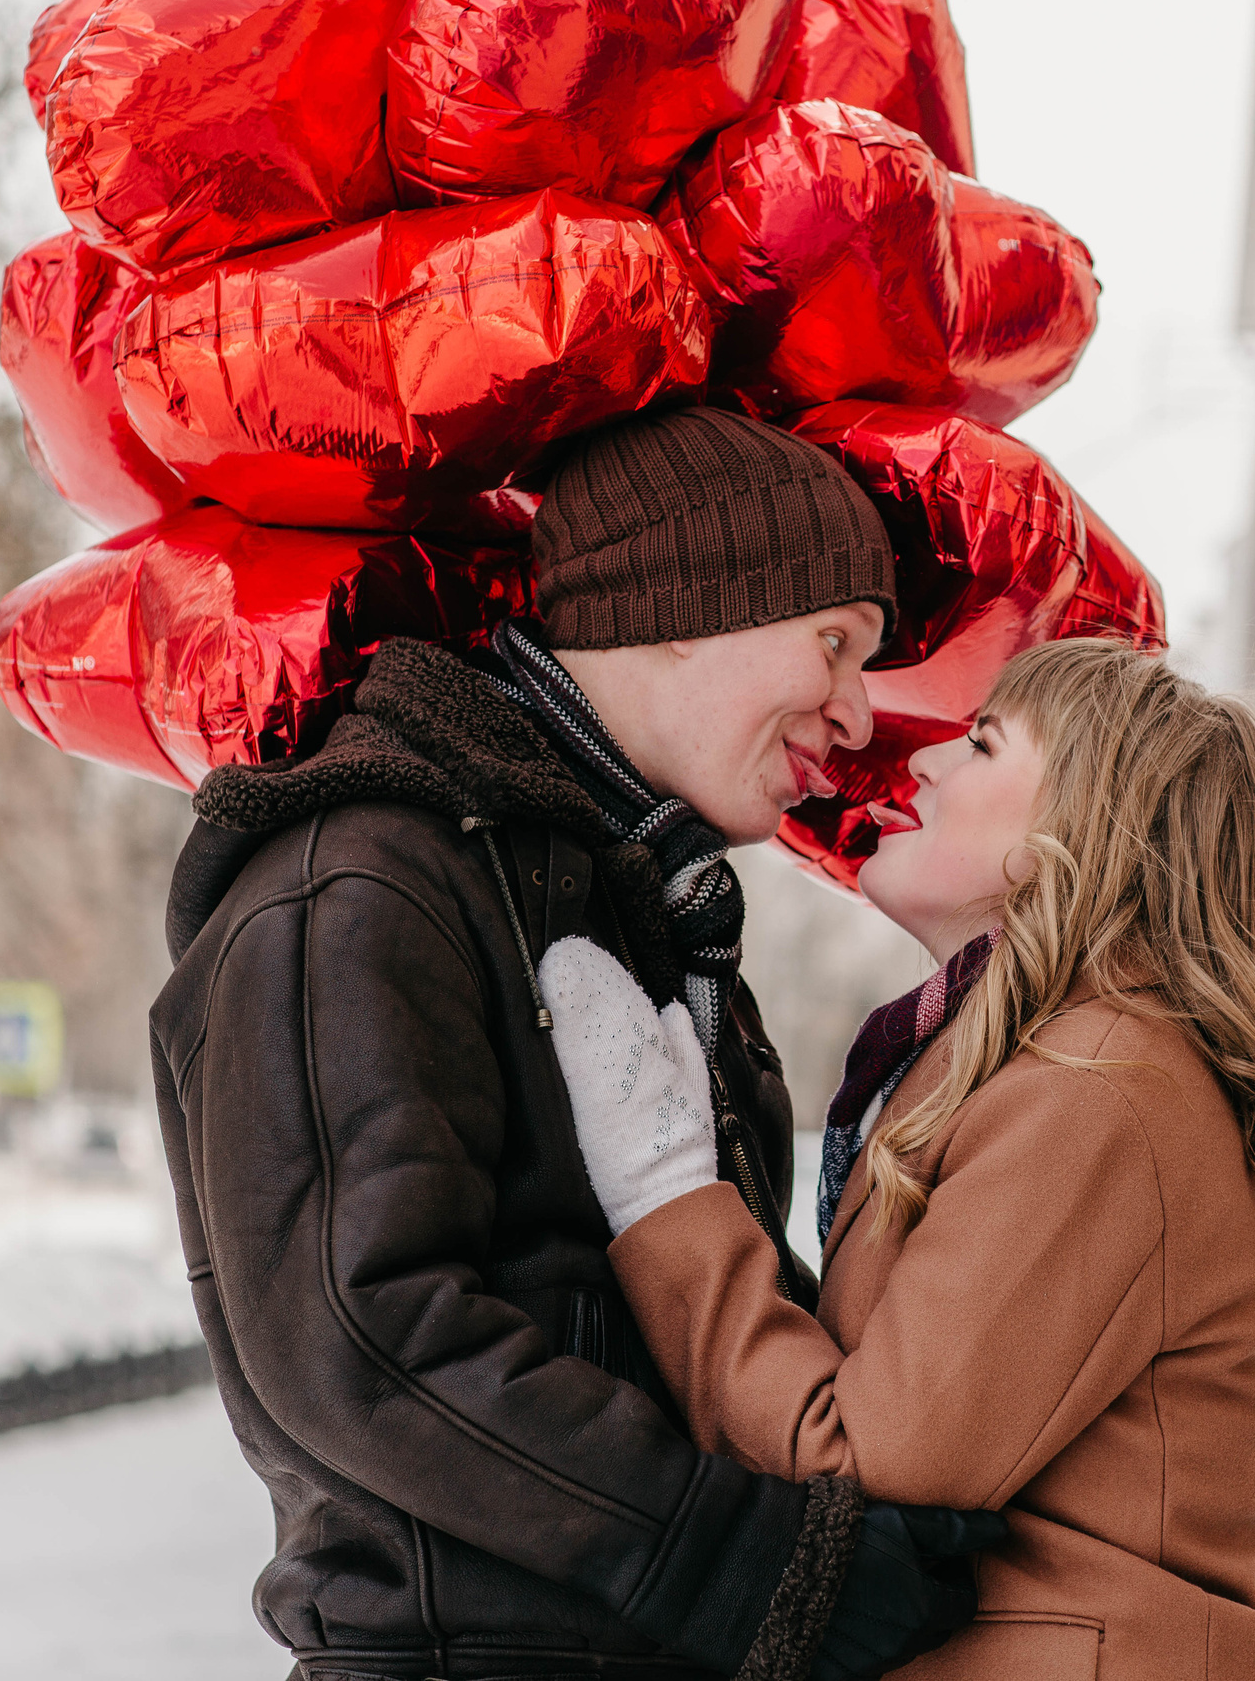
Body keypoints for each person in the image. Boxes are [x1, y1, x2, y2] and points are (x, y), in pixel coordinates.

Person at [150, 407, 1001, 1681]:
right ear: (684, 603)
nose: (850, 716)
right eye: (832, 644)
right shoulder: (362, 883)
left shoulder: (639, 916)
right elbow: (364, 1337)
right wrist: (750, 1567)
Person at [548, 637, 1255, 1681]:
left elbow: (864, 1462)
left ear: (1084, 827)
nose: (925, 762)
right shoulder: (1050, 1069)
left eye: (982, 744)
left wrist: (666, 1190)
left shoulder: (1098, 1090)